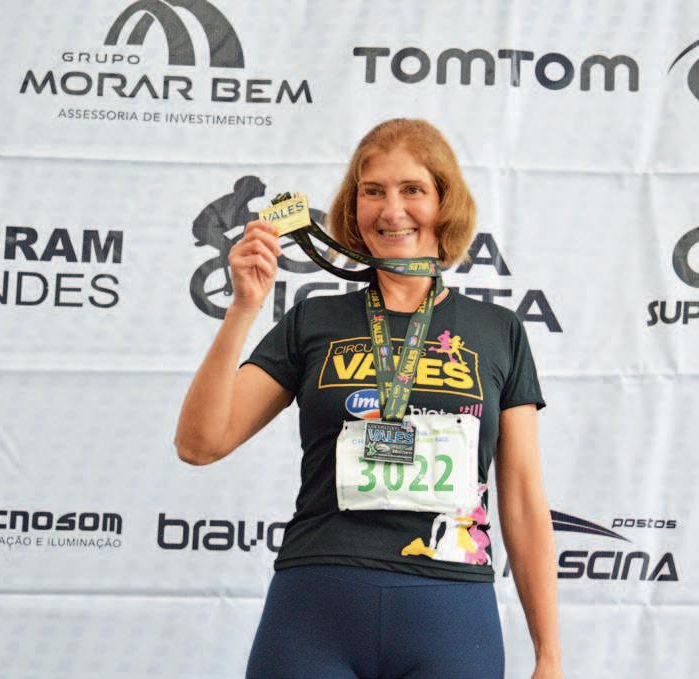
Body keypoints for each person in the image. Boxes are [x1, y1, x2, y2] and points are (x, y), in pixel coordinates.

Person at [175, 118, 562, 679]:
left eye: (412, 189)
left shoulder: (497, 331)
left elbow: (523, 499)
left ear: (445, 203)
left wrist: (549, 654)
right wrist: (243, 308)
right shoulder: (313, 320)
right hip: (317, 603)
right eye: (373, 191)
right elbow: (199, 444)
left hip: (450, 610)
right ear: (353, 207)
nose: (391, 209)